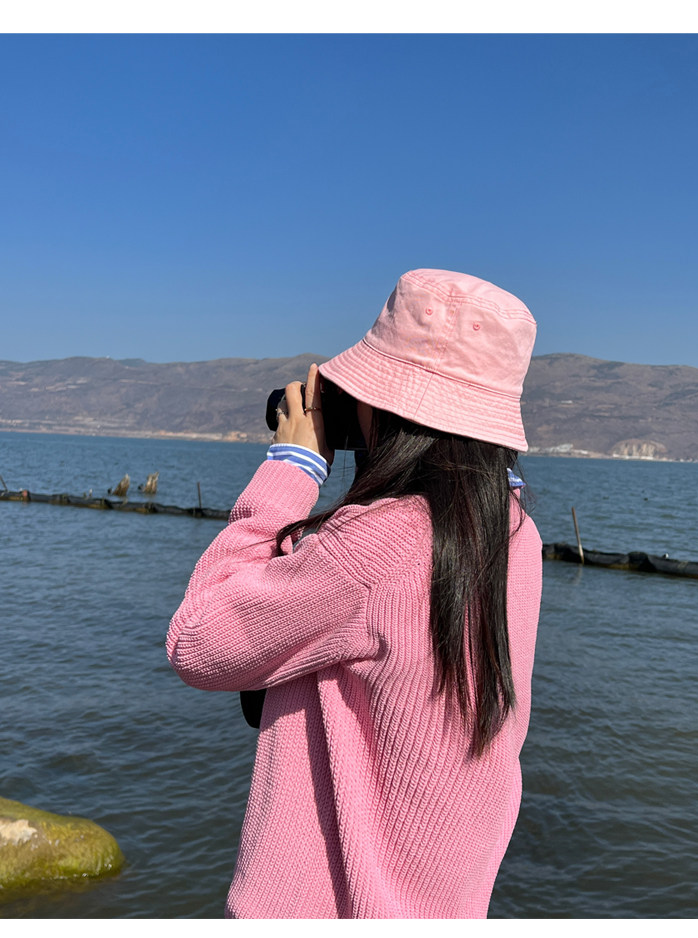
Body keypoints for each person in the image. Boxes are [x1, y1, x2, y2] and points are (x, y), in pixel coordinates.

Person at [166, 268, 542, 919]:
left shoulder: (381, 542)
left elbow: (197, 642)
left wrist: (292, 467)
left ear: (389, 411)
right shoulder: (513, 533)